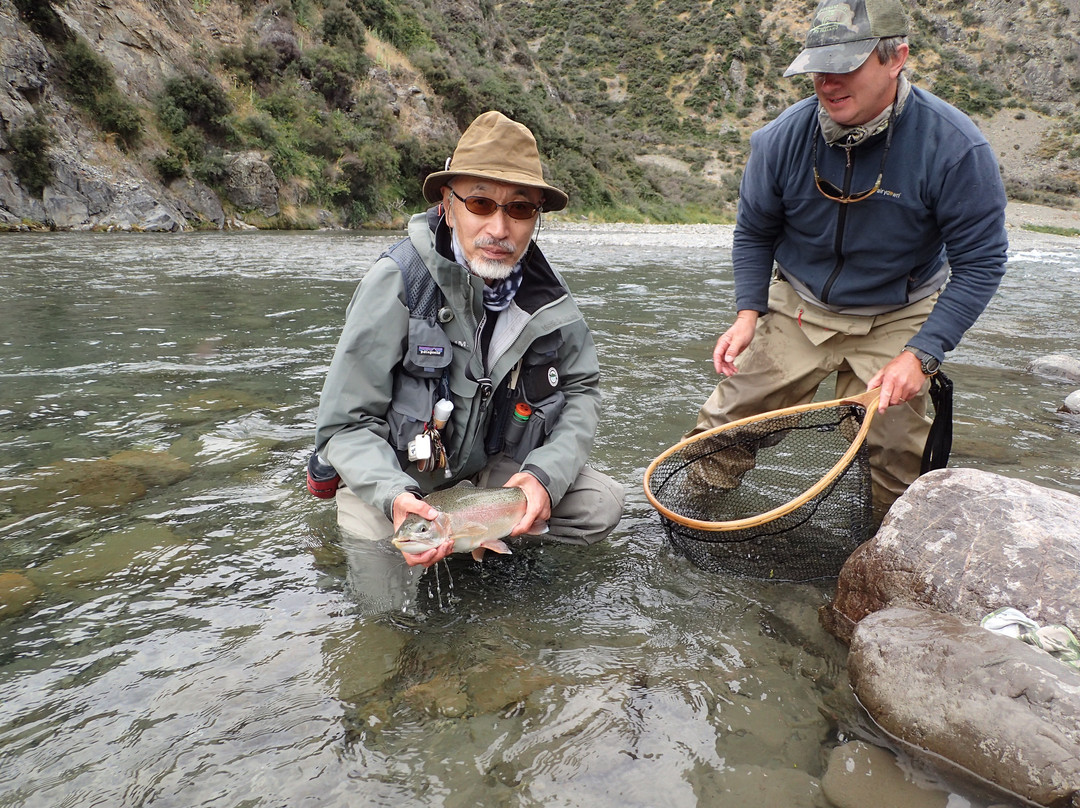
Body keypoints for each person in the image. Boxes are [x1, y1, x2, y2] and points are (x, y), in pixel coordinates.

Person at [687, 0, 1008, 519]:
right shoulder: (780, 140)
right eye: (818, 68)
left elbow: (982, 263)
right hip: (799, 303)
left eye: (846, 67)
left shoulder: (955, 148)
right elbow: (754, 231)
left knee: (895, 455)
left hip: (899, 313)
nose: (827, 83)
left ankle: (884, 556)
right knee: (727, 426)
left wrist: (922, 353)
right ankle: (692, 513)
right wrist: (748, 312)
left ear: (896, 57)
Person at [314, 110, 624, 595]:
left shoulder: (552, 303)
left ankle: (490, 563)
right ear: (447, 203)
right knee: (385, 593)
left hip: (490, 473)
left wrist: (544, 477)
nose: (499, 228)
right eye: (480, 203)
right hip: (399, 476)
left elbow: (582, 391)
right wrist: (396, 498)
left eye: (520, 209)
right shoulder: (396, 283)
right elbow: (345, 425)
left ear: (537, 215)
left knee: (599, 506)